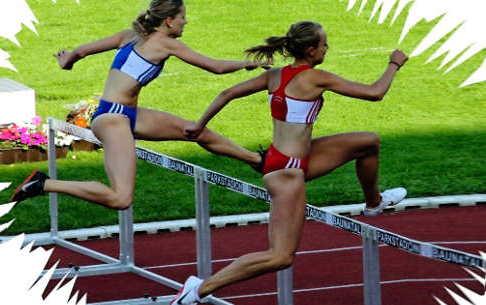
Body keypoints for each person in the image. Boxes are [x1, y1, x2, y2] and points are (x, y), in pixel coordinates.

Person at [171, 21, 408, 305]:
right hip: (286, 173)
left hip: (292, 158)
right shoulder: (316, 77)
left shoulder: (275, 75)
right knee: (280, 256)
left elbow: (227, 93)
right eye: (324, 44)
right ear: (310, 50)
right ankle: (198, 289)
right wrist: (394, 65)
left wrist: (200, 125)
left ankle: (374, 203)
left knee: (368, 142)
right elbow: (375, 92)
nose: (327, 48)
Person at [11, 0, 267, 208]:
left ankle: (257, 160)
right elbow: (216, 67)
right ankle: (44, 184)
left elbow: (80, 52)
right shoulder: (167, 44)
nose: (185, 22)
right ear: (169, 20)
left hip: (125, 114)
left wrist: (66, 62)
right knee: (121, 198)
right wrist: (249, 64)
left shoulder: (128, 36)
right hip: (112, 119)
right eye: (183, 17)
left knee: (194, 130)